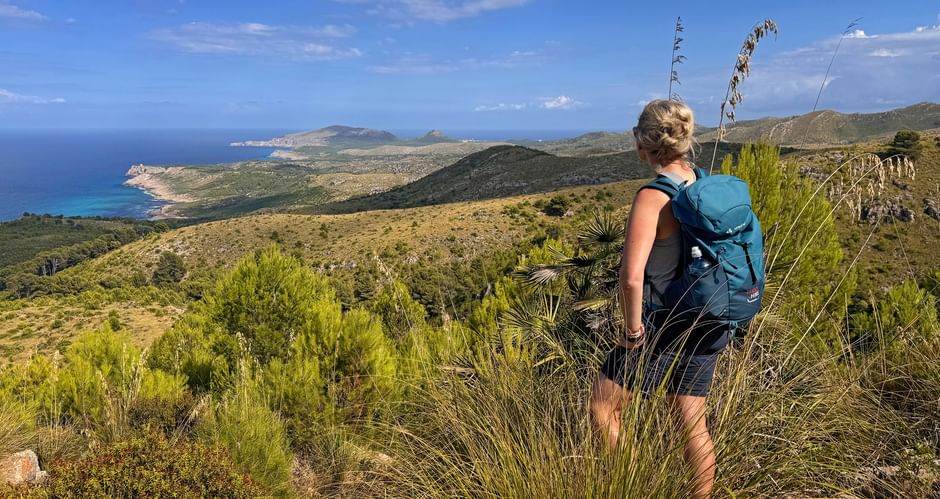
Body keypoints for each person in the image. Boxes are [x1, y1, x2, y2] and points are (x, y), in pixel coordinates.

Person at [589, 99, 729, 499]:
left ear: (642, 145)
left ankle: (633, 488)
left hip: (662, 323)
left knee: (603, 408)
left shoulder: (653, 196)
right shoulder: (703, 181)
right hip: (708, 314)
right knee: (691, 422)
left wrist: (633, 332)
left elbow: (632, 279)